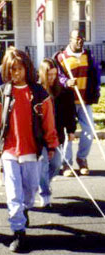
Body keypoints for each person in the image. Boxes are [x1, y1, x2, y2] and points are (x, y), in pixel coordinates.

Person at [0, 48, 59, 252]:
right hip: (9, 151)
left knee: (31, 190)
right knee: (13, 193)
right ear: (6, 70)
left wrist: (51, 144)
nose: (16, 73)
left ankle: (24, 210)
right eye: (11, 70)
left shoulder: (39, 93)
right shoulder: (0, 93)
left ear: (27, 68)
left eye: (20, 69)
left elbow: (49, 123)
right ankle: (18, 232)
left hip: (32, 150)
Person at [54, 29, 101, 177]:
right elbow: (56, 75)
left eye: (82, 39)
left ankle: (82, 159)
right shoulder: (61, 57)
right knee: (69, 132)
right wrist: (66, 82)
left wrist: (96, 90)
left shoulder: (88, 56)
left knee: (89, 130)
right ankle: (66, 164)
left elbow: (95, 75)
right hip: (67, 101)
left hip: (84, 100)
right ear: (70, 40)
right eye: (77, 39)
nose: (80, 42)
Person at [38, 58, 77, 207]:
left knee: (55, 164)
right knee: (42, 166)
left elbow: (70, 112)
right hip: (39, 136)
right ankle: (45, 194)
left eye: (54, 74)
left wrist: (71, 130)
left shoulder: (64, 92)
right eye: (49, 75)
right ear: (43, 73)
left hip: (57, 135)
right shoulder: (36, 91)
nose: (52, 78)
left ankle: (44, 183)